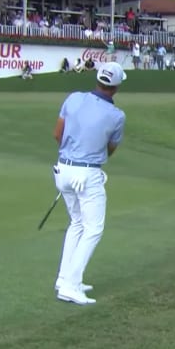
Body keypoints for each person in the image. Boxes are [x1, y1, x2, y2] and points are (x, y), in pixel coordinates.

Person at [51, 61, 127, 305]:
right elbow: (110, 149)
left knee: (77, 223)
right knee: (93, 229)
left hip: (63, 169)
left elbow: (57, 134)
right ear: (116, 87)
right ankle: (70, 286)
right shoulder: (117, 116)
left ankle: (65, 278)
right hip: (87, 175)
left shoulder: (73, 98)